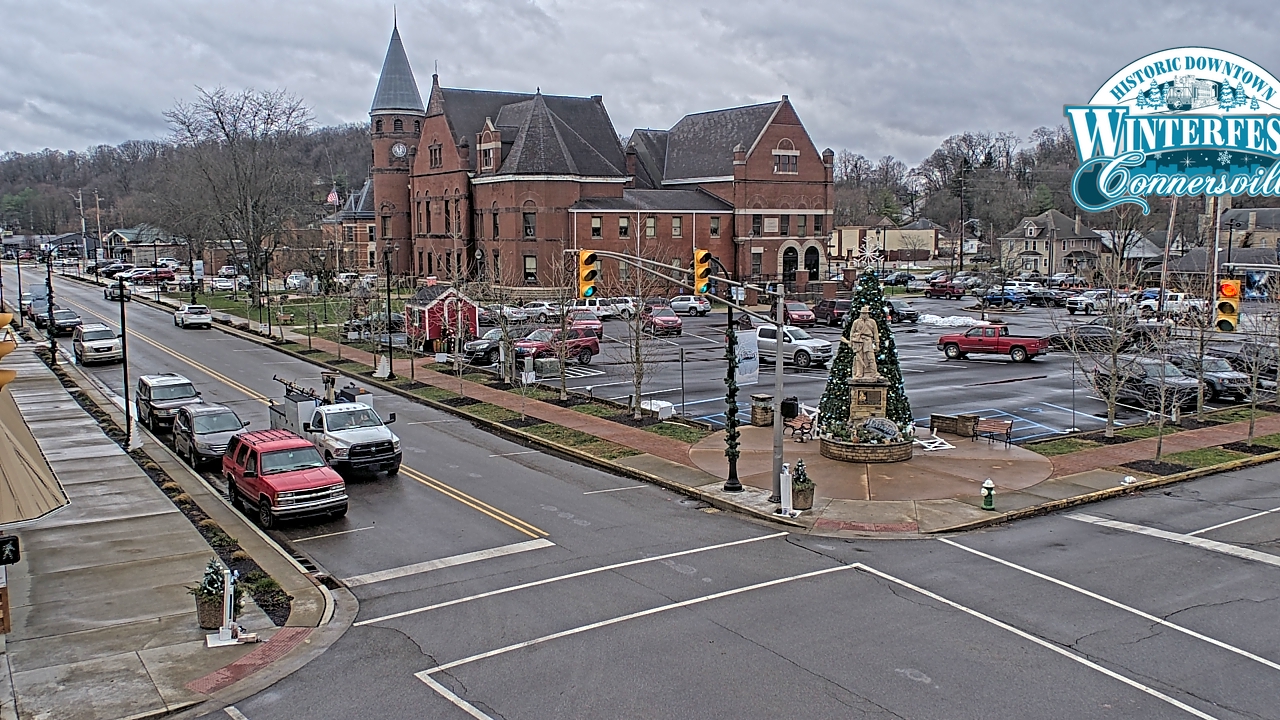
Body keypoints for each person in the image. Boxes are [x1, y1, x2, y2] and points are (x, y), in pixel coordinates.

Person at [849, 306, 881, 380]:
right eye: (863, 313)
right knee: (859, 358)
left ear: (868, 314)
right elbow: (852, 332)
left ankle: (874, 373)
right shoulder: (856, 322)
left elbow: (876, 333)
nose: (864, 315)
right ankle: (859, 373)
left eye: (865, 313)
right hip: (858, 341)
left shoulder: (872, 322)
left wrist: (877, 344)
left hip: (868, 341)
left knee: (871, 358)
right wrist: (851, 342)